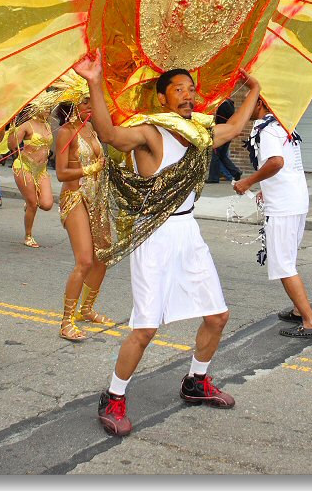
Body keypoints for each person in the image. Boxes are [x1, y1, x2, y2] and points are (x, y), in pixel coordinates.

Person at [74, 50, 260, 437]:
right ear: (162, 98)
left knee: (217, 315)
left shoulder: (202, 131)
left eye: (192, 90)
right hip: (155, 236)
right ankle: (113, 397)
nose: (188, 95)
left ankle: (196, 382)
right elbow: (109, 136)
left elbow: (236, 127)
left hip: (187, 233)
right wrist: (94, 80)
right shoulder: (149, 132)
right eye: (179, 89)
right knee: (145, 327)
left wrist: (253, 87)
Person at [233, 96, 312, 340]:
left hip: (284, 206)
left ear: (261, 103)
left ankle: (311, 322)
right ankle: (297, 310)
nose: (246, 106)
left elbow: (276, 162)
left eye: (250, 102)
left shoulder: (267, 130)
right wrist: (266, 188)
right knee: (288, 260)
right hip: (295, 200)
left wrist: (248, 182)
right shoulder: (283, 125)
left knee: (283, 265)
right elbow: (288, 164)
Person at [55, 94, 114, 342]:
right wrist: (90, 169)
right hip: (76, 196)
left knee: (104, 256)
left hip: (97, 197)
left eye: (92, 100)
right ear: (72, 105)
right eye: (85, 101)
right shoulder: (66, 131)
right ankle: (65, 321)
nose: (91, 105)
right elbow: (60, 173)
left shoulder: (90, 126)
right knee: (85, 261)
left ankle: (86, 309)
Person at [8, 107, 54, 247]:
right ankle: (28, 235)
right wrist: (13, 130)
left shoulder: (47, 124)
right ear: (36, 107)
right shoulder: (26, 124)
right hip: (24, 167)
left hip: (41, 170)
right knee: (33, 203)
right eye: (45, 107)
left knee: (47, 204)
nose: (48, 110)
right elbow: (11, 146)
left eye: (50, 108)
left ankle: (29, 202)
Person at [206, 98, 242, 183]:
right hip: (228, 132)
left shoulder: (224, 105)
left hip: (222, 133)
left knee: (216, 155)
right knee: (222, 155)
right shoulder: (230, 104)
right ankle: (235, 171)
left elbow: (220, 121)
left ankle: (213, 178)